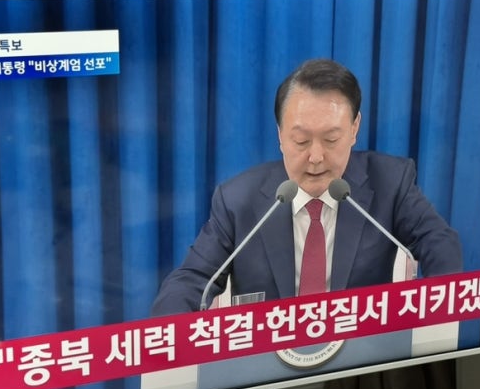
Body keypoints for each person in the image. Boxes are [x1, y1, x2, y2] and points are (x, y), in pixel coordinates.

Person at [151, 58, 462, 316]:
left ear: (354, 128)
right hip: (267, 362)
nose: (315, 157)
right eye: (300, 141)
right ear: (280, 135)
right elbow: (191, 280)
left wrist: (435, 316)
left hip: (360, 360)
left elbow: (438, 242)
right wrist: (170, 342)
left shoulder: (390, 181)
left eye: (331, 139)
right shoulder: (237, 200)